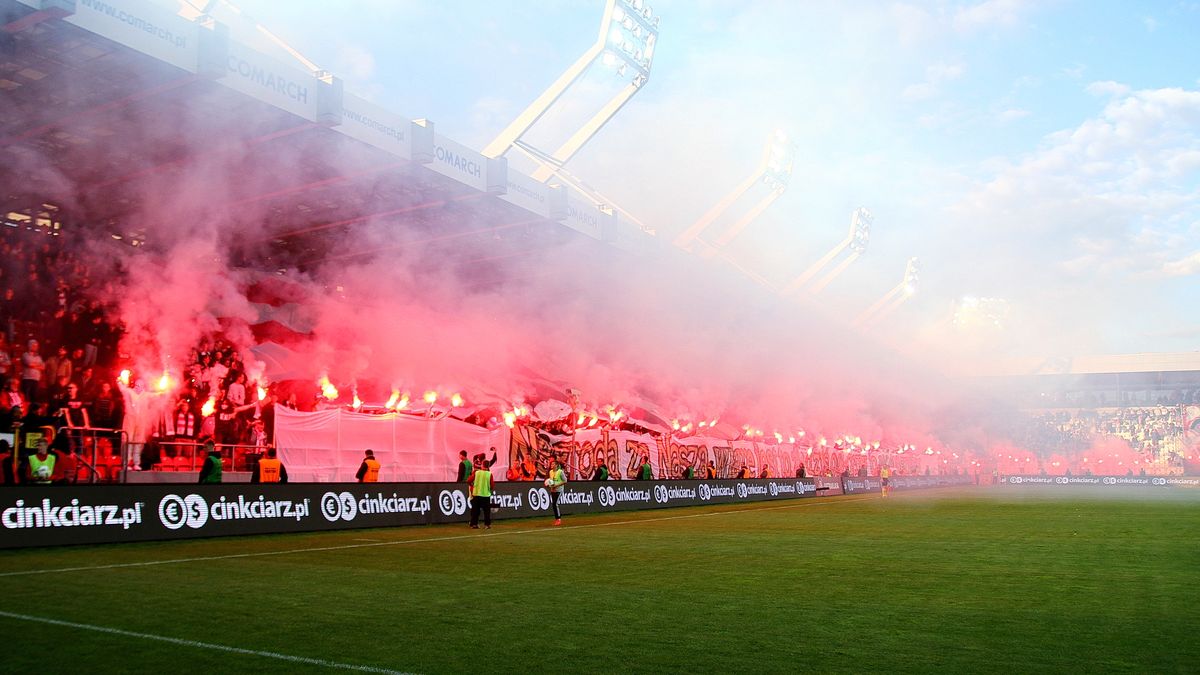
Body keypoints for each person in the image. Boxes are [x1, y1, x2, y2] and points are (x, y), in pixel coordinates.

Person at [468, 455, 493, 530]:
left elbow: (469, 480)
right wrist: (489, 489)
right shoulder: (489, 474)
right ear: (488, 466)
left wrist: (472, 486)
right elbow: (492, 485)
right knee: (486, 511)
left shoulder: (476, 473)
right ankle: (487, 525)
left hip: (476, 494)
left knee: (475, 510)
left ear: (482, 465)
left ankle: (474, 524)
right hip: (485, 495)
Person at [547, 457, 567, 526]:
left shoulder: (560, 472)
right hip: (553, 490)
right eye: (551, 464)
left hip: (559, 490)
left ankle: (558, 519)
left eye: (553, 464)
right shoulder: (550, 472)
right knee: (553, 504)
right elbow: (552, 481)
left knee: (555, 504)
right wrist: (549, 484)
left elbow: (565, 481)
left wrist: (557, 485)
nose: (551, 465)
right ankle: (556, 519)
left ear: (556, 465)